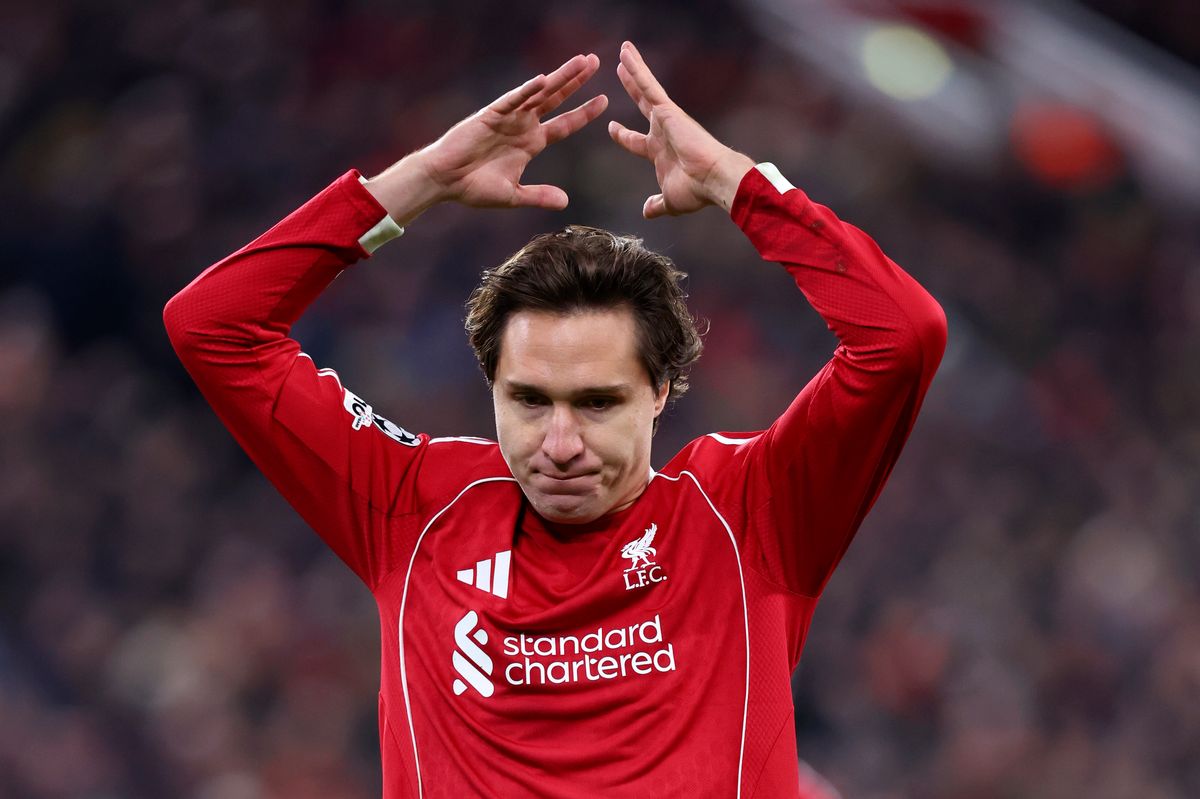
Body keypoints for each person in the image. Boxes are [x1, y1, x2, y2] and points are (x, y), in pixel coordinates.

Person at [164, 42, 945, 798]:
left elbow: (902, 336)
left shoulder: (753, 513)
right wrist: (421, 180)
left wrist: (736, 184)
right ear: (491, 386)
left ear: (663, 389)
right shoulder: (417, 506)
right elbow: (212, 326)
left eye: (598, 402)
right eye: (529, 400)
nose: (559, 445)